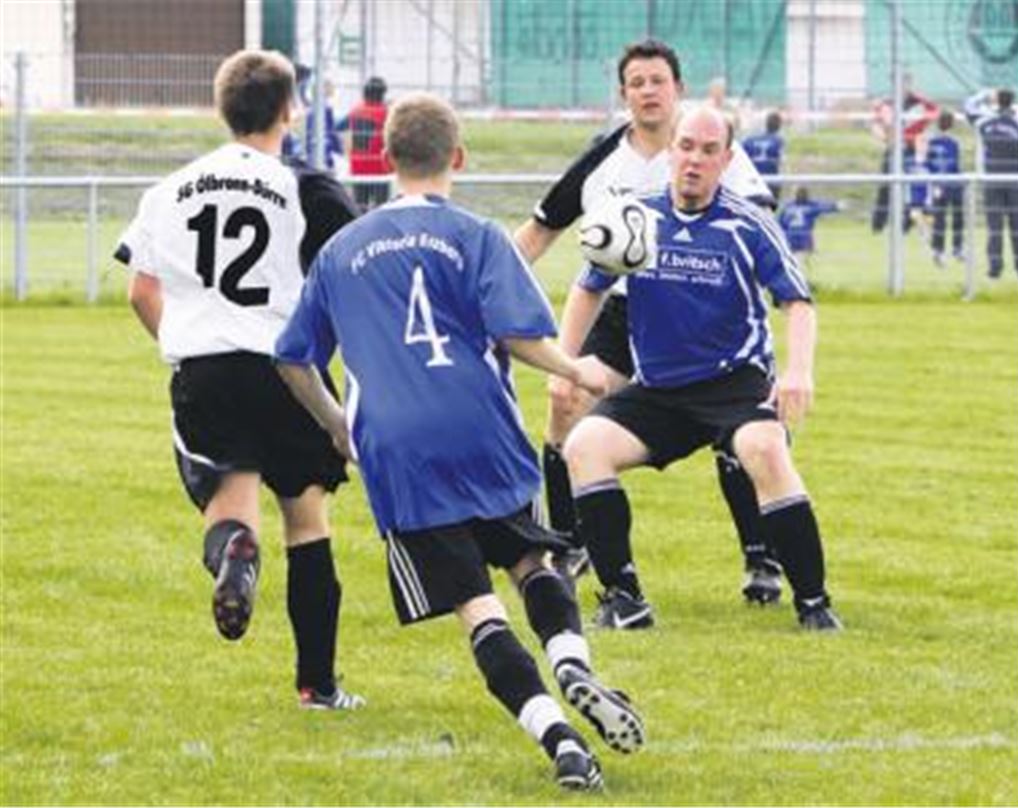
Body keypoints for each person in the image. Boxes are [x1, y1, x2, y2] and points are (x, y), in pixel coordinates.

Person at [274, 93, 645, 791]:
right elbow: (516, 334)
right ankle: (572, 661)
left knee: (477, 606)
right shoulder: (477, 236)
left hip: (398, 446)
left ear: (385, 158)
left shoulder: (339, 252)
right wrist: (575, 369)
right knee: (534, 561)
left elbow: (292, 357)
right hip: (482, 426)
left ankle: (558, 738)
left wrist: (335, 423)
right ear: (460, 157)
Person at [115, 49, 364, 710]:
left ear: (223, 109)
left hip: (206, 369)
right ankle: (319, 686)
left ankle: (237, 550)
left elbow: (141, 291)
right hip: (287, 368)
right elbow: (351, 281)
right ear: (290, 109)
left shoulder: (170, 189)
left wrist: (186, 343)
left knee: (230, 511)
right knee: (307, 522)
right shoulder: (308, 187)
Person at [514, 39, 782, 628]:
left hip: (701, 314)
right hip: (623, 318)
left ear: (677, 89)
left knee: (735, 432)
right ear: (624, 94)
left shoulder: (712, 150)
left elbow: (764, 217)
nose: (648, 91)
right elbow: (540, 230)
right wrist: (484, 288)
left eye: (658, 80)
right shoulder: (602, 163)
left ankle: (760, 557)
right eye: (636, 82)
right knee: (565, 401)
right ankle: (569, 541)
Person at [561, 106, 843, 633]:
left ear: (727, 159)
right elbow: (588, 288)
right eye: (686, 145)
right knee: (584, 446)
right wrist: (564, 365)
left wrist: (798, 371)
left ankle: (814, 605)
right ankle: (624, 600)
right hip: (659, 390)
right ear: (671, 148)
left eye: (708, 150)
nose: (694, 159)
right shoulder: (635, 217)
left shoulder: (747, 222)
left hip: (734, 382)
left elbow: (797, 303)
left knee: (763, 448)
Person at [964, 87, 1018, 279]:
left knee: (994, 227)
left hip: (991, 180)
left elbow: (969, 107)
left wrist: (984, 94)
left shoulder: (985, 120)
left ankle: (995, 269)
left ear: (997, 100)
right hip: (1015, 180)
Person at [870, 87, 939, 234]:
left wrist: (919, 97)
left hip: (910, 150)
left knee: (910, 189)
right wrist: (885, 137)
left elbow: (934, 110)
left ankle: (905, 224)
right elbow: (876, 124)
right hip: (894, 149)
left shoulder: (918, 106)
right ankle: (878, 225)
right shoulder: (888, 104)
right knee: (886, 187)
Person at [342, 75, 391, 211]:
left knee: (359, 208)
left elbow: (338, 126)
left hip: (358, 166)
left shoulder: (355, 111)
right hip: (380, 168)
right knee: (381, 209)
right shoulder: (386, 113)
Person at [925, 109, 965, 267]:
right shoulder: (932, 142)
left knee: (957, 218)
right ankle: (939, 250)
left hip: (954, 185)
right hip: (940, 185)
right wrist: (935, 183)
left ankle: (956, 248)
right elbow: (928, 164)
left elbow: (955, 164)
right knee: (940, 220)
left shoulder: (954, 142)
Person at [778, 187, 841, 277]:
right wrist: (836, 207)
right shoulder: (809, 206)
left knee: (798, 260)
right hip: (803, 237)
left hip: (792, 236)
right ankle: (802, 280)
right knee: (800, 260)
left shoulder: (788, 206)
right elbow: (823, 208)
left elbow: (780, 223)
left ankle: (801, 279)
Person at [742, 110, 785, 200]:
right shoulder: (778, 140)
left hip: (752, 182)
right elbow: (780, 162)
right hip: (770, 181)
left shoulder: (749, 139)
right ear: (779, 126)